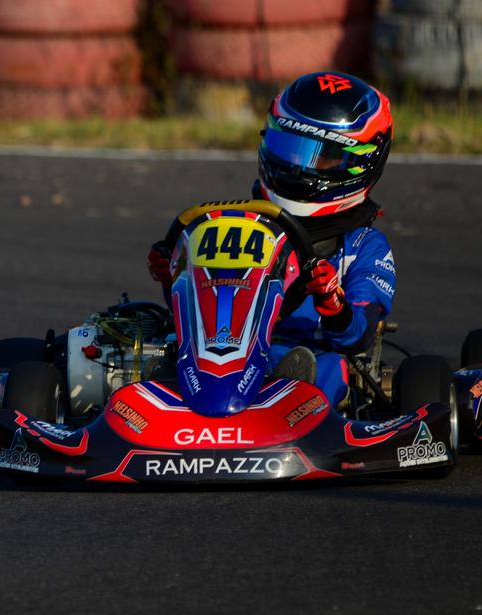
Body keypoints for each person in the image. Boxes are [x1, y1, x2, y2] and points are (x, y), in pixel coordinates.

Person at [148, 71, 396, 408]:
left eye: (320, 157)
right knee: (161, 346)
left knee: (327, 366)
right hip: (219, 353)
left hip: (302, 355)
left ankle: (291, 408)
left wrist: (333, 304)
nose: (297, 167)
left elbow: (359, 335)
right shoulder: (237, 224)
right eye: (289, 150)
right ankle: (169, 400)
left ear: (362, 162)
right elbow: (202, 303)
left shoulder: (363, 246)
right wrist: (173, 275)